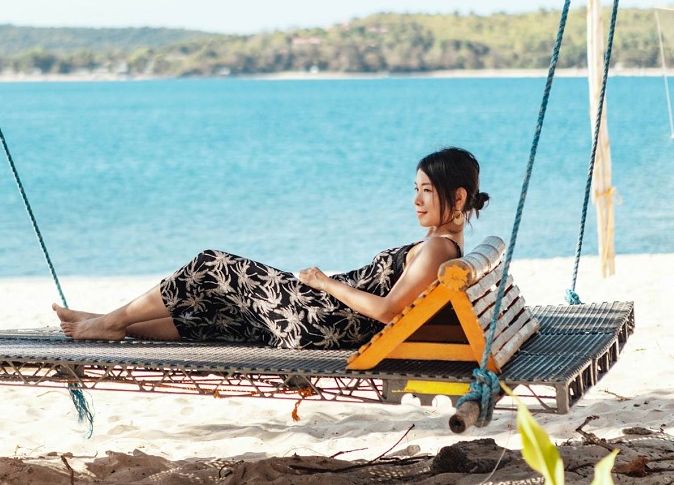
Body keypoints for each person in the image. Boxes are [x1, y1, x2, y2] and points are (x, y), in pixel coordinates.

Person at [54, 146, 489, 350]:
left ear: (458, 198)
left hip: (320, 317)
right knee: (213, 314)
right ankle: (111, 324)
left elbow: (388, 311)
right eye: (415, 189)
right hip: (321, 320)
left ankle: (109, 321)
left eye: (427, 191)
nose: (416, 200)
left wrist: (324, 282)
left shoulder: (437, 252)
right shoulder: (444, 245)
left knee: (212, 265)